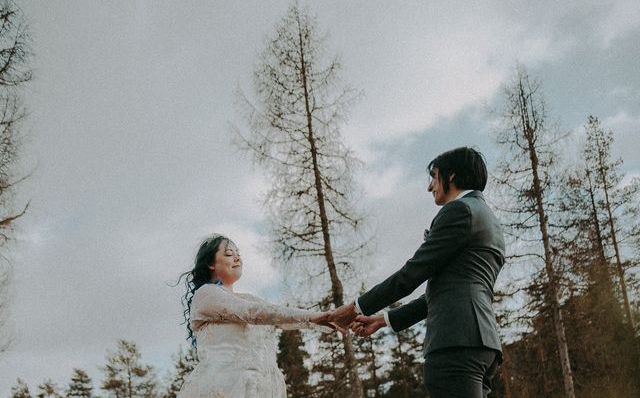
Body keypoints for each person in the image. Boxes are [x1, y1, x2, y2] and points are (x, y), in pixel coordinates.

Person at [330, 147, 505, 398]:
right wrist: (384, 319)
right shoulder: (490, 221)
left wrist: (355, 308)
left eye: (434, 176)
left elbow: (412, 274)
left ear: (452, 176)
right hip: (482, 346)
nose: (429, 186)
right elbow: (448, 291)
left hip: (453, 343)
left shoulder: (459, 211)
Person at [176, 233, 335, 398]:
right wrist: (314, 317)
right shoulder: (206, 294)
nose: (237, 258)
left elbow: (278, 316)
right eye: (230, 254)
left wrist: (330, 318)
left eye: (239, 254)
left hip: (261, 389)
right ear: (210, 263)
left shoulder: (248, 298)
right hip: (225, 387)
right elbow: (254, 312)